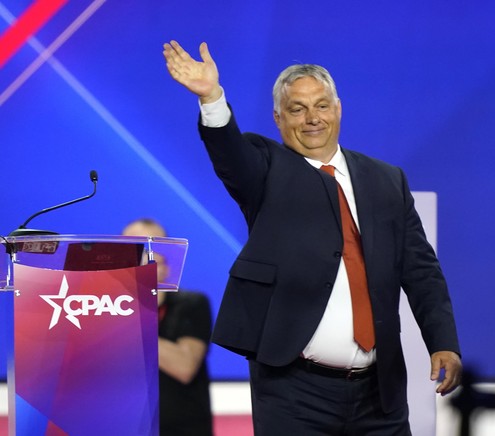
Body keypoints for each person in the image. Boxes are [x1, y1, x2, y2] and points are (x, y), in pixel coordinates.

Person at [162, 40, 462, 436]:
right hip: (294, 393)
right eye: (297, 109)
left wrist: (444, 341)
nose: (312, 119)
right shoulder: (265, 169)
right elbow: (230, 154)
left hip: (380, 393)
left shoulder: (386, 180)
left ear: (338, 109)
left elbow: (421, 271)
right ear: (278, 118)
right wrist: (212, 98)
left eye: (322, 105)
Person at [123, 218, 213, 436]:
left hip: (181, 428)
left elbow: (184, 367)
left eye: (152, 249)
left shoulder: (191, 303)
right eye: (135, 248)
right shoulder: (98, 308)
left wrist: (125, 320)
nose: (144, 257)